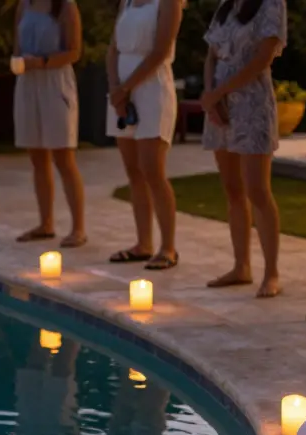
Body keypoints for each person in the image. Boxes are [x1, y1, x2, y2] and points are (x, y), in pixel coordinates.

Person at [200, 0, 287, 298]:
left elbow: (262, 58)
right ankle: (241, 266)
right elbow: (211, 55)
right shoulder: (226, 6)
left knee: (257, 190)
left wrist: (219, 92)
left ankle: (271, 272)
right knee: (232, 189)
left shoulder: (271, 4)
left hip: (252, 104)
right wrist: (210, 96)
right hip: (220, 108)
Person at [106, 0, 183, 271]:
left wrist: (126, 88)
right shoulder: (126, 2)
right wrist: (115, 89)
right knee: (133, 170)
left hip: (152, 90)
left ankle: (168, 247)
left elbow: (160, 51)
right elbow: (113, 48)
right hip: (121, 94)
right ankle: (143, 244)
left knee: (152, 169)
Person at [14, 0, 89, 248]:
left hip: (55, 83)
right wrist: (18, 61)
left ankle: (78, 228)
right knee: (37, 157)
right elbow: (17, 45)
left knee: (63, 157)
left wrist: (41, 62)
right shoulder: (24, 4)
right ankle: (45, 223)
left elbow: (74, 51)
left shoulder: (65, 6)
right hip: (28, 84)